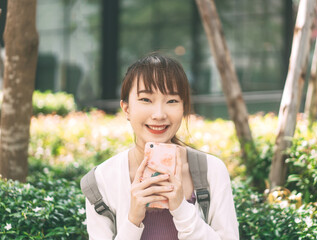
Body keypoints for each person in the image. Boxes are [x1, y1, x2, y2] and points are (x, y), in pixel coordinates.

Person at [84, 53, 239, 240]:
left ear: (184, 107)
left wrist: (181, 209)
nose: (159, 114)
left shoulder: (211, 171)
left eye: (172, 101)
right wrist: (133, 220)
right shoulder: (101, 181)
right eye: (146, 100)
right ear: (126, 109)